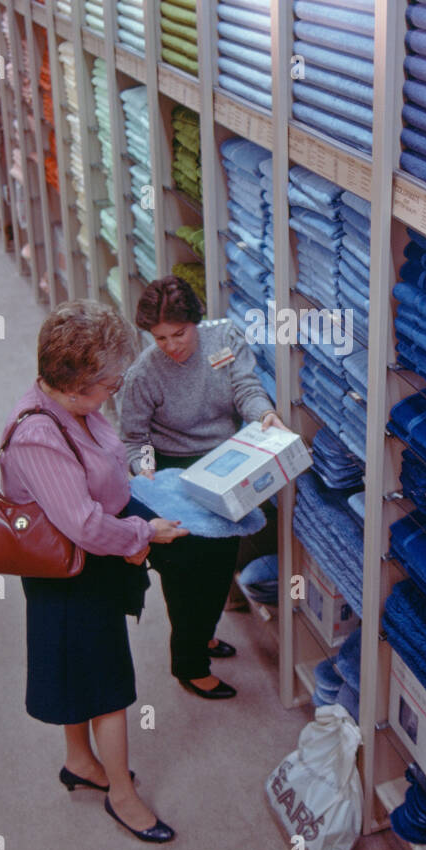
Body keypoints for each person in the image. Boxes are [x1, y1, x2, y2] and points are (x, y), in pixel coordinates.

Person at [0, 300, 188, 843]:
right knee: (106, 681)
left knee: (75, 667)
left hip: (88, 556)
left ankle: (79, 760)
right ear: (77, 383)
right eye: (110, 382)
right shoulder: (39, 434)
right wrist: (140, 537)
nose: (116, 389)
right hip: (71, 572)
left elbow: (101, 474)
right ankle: (122, 798)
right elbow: (81, 523)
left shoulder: (74, 406)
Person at [119, 275, 287, 699]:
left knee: (219, 563)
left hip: (223, 463)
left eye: (179, 333)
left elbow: (246, 388)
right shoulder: (144, 374)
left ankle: (205, 635)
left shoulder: (224, 338)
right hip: (172, 471)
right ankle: (189, 664)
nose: (172, 345)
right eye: (160, 338)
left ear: (196, 320)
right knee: (184, 575)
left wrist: (262, 414)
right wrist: (148, 475)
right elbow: (133, 439)